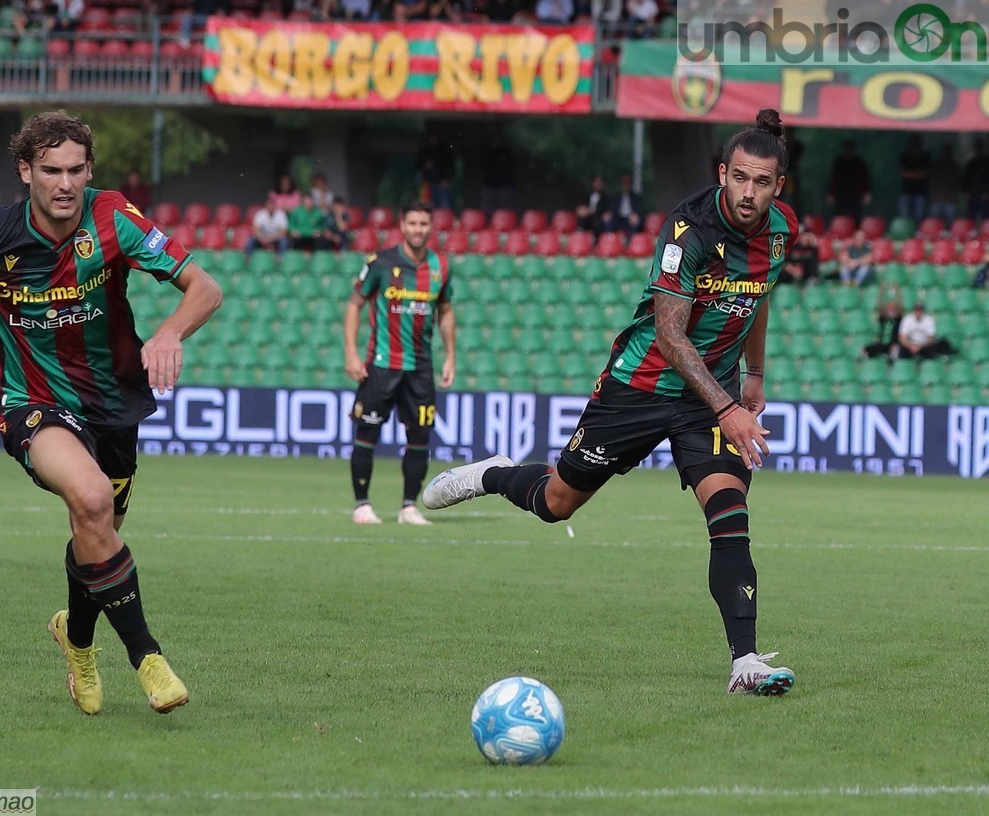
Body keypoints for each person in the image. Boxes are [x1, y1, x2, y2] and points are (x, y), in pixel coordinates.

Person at [422, 109, 799, 697]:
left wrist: (753, 374)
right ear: (722, 173)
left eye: (763, 182)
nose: (749, 193)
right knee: (557, 501)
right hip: (641, 388)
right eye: (740, 178)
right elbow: (671, 338)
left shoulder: (781, 231)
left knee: (729, 517)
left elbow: (759, 295)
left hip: (713, 397)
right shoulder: (689, 231)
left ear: (780, 186)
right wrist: (729, 406)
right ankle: (492, 474)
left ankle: (745, 661)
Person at [0, 110, 223, 716]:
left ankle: (77, 640)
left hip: (113, 405)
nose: (64, 183)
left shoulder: (113, 219)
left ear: (90, 171)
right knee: (90, 501)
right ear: (24, 171)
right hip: (32, 404)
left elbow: (205, 288)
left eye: (76, 170)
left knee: (98, 530)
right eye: (50, 170)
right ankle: (148, 657)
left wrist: (169, 333)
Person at [344, 200, 455, 526]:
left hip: (421, 368)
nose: (418, 230)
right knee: (367, 433)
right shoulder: (380, 262)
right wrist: (351, 353)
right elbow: (355, 304)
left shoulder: (441, 266)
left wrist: (451, 356)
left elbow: (446, 311)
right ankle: (362, 505)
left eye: (423, 224)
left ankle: (409, 506)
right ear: (402, 226)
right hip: (382, 365)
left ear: (430, 227)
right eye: (412, 224)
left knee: (420, 437)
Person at [827, 141, 871, 221]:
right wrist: (831, 194)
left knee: (856, 216)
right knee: (840, 216)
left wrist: (866, 193)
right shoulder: (839, 163)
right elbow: (834, 179)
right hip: (841, 195)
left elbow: (864, 179)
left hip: (855, 195)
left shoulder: (859, 163)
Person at [863, 283, 903, 359]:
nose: (890, 308)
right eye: (889, 306)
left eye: (892, 306)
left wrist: (897, 291)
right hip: (882, 344)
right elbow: (880, 306)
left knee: (895, 350)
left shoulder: (898, 319)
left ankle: (892, 362)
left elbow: (901, 306)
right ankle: (867, 360)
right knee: (866, 349)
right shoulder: (883, 319)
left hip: (893, 345)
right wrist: (882, 291)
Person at [898, 135, 931, 224]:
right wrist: (918, 174)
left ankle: (917, 235)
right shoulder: (906, 156)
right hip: (906, 191)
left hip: (920, 192)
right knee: (905, 217)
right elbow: (902, 173)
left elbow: (925, 174)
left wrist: (910, 174)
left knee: (919, 217)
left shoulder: (925, 157)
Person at [244, 193, 289, 258]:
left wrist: (270, 239)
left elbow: (283, 232)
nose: (271, 206)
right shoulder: (260, 214)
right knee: (252, 239)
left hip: (276, 237)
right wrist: (262, 238)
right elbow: (256, 230)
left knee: (284, 240)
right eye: (269, 204)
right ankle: (248, 257)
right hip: (263, 237)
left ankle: (281, 258)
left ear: (275, 205)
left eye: (272, 204)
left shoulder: (281, 214)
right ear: (265, 205)